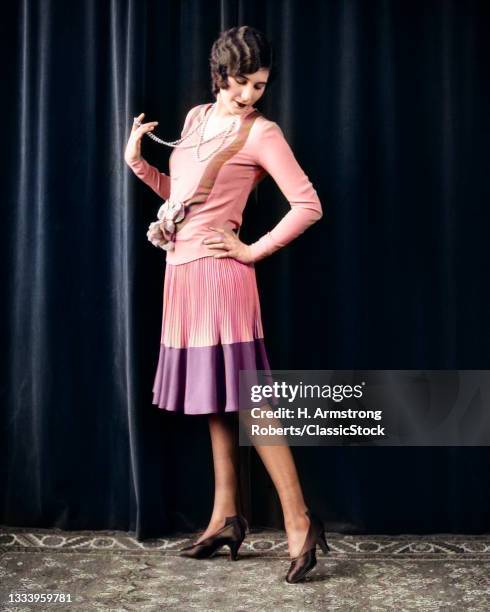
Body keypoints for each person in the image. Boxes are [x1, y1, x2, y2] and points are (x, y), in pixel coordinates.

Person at [124, 25, 328, 583]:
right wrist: (138, 163)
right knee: (216, 398)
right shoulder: (194, 119)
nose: (249, 95)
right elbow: (182, 201)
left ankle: (299, 521)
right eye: (241, 83)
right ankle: (225, 517)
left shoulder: (262, 133)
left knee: (249, 402)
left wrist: (251, 250)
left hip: (223, 278)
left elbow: (308, 205)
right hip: (182, 276)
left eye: (259, 85)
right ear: (220, 76)